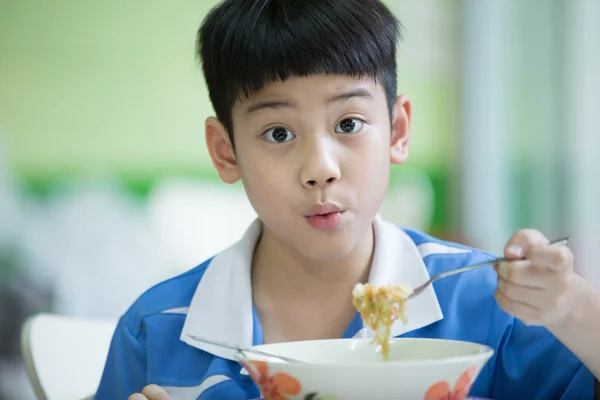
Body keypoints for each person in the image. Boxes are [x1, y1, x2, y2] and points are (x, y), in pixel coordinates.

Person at [95, 0, 600, 399]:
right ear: (226, 152)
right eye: (277, 133)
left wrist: (571, 305)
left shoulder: (489, 306)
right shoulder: (155, 331)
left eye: (349, 124)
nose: (321, 169)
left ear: (398, 131)